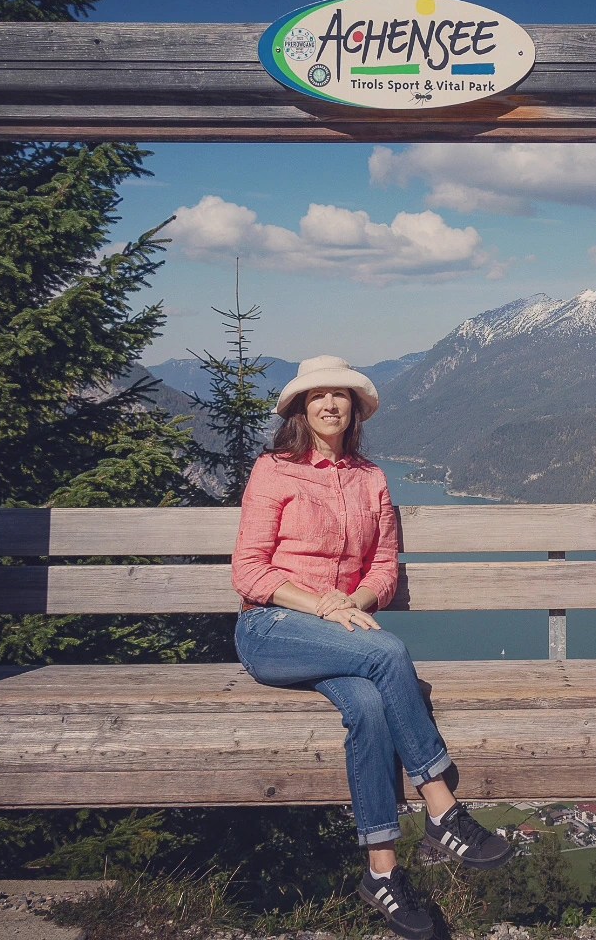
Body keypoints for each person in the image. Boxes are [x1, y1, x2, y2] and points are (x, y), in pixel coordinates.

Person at [232, 355, 513, 940]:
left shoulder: (372, 479)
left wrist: (353, 606)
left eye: (340, 396)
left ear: (354, 410)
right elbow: (249, 571)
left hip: (342, 634)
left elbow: (384, 568)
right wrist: (323, 607)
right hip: (274, 629)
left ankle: (381, 873)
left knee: (367, 705)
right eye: (317, 397)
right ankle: (442, 808)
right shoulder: (275, 471)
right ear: (301, 411)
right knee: (387, 654)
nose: (330, 405)